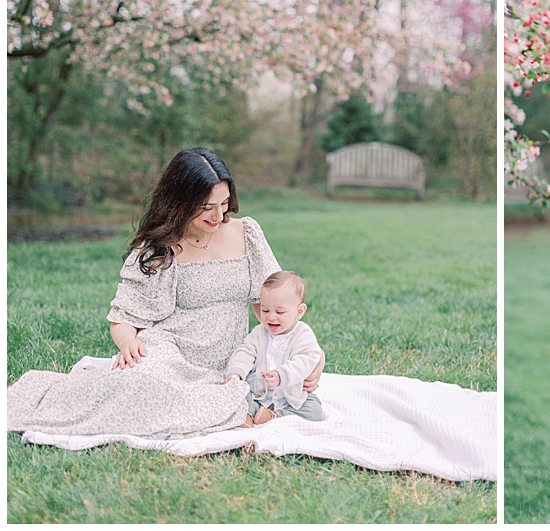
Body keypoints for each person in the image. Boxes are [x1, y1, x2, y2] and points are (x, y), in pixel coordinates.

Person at [7, 147, 324, 439]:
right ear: (180, 202)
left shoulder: (247, 233)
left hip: (231, 359)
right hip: (169, 351)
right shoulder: (160, 248)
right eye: (206, 208)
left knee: (214, 392)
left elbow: (275, 303)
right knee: (144, 386)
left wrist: (311, 354)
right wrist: (129, 343)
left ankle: (233, 410)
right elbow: (123, 318)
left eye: (224, 204)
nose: (217, 216)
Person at [225, 270, 325, 426]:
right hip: (259, 393)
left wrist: (281, 375)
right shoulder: (259, 333)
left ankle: (275, 416)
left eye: (279, 312)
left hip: (290, 397)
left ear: (299, 311)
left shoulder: (303, 334)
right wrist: (236, 372)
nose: (271, 317)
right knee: (240, 396)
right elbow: (246, 351)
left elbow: (306, 360)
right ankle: (247, 415)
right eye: (265, 310)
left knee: (314, 410)